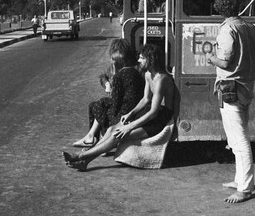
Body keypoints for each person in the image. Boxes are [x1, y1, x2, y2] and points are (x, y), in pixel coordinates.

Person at [63, 43, 175, 171]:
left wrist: (129, 126)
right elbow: (145, 100)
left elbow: (154, 113)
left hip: (160, 119)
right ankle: (85, 162)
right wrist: (131, 114)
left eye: (142, 58)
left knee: (118, 135)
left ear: (150, 59)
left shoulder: (162, 79)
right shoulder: (149, 75)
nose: (138, 60)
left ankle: (81, 156)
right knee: (111, 129)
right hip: (150, 113)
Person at [205, 0, 255, 203]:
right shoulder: (249, 27)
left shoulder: (227, 29)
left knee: (239, 140)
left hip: (230, 87)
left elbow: (225, 62)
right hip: (246, 86)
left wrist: (212, 58)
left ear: (219, 9)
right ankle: (240, 180)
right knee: (238, 136)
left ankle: (245, 189)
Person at [71, 38, 145, 148]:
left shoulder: (130, 71)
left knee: (101, 106)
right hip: (123, 103)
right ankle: (93, 137)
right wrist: (107, 84)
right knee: (95, 105)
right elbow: (103, 77)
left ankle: (98, 139)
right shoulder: (115, 67)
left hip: (128, 107)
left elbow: (118, 101)